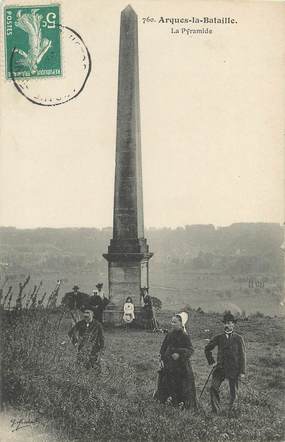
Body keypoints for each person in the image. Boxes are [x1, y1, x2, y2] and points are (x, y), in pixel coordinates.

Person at [204, 311, 246, 414]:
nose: (227, 325)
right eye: (225, 323)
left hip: (234, 369)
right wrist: (212, 362)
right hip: (220, 368)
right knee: (213, 387)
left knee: (234, 392)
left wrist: (242, 372)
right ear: (224, 324)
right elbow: (207, 349)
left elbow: (242, 356)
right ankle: (216, 410)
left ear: (233, 324)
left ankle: (231, 411)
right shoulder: (219, 337)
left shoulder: (239, 338)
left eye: (230, 323)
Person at [154, 313, 197, 410]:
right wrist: (161, 359)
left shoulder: (185, 335)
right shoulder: (169, 334)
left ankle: (180, 405)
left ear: (181, 324)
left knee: (181, 385)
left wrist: (179, 353)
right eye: (171, 322)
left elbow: (190, 350)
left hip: (181, 367)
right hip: (169, 365)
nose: (172, 324)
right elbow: (163, 348)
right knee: (167, 383)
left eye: (175, 322)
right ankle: (168, 403)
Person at [68, 305, 104, 370]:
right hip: (82, 348)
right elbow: (70, 332)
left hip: (94, 349)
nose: (86, 315)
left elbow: (101, 338)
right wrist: (75, 342)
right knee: (80, 366)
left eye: (88, 313)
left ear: (92, 315)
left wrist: (101, 349)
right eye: (85, 313)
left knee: (94, 367)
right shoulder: (80, 323)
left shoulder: (98, 325)